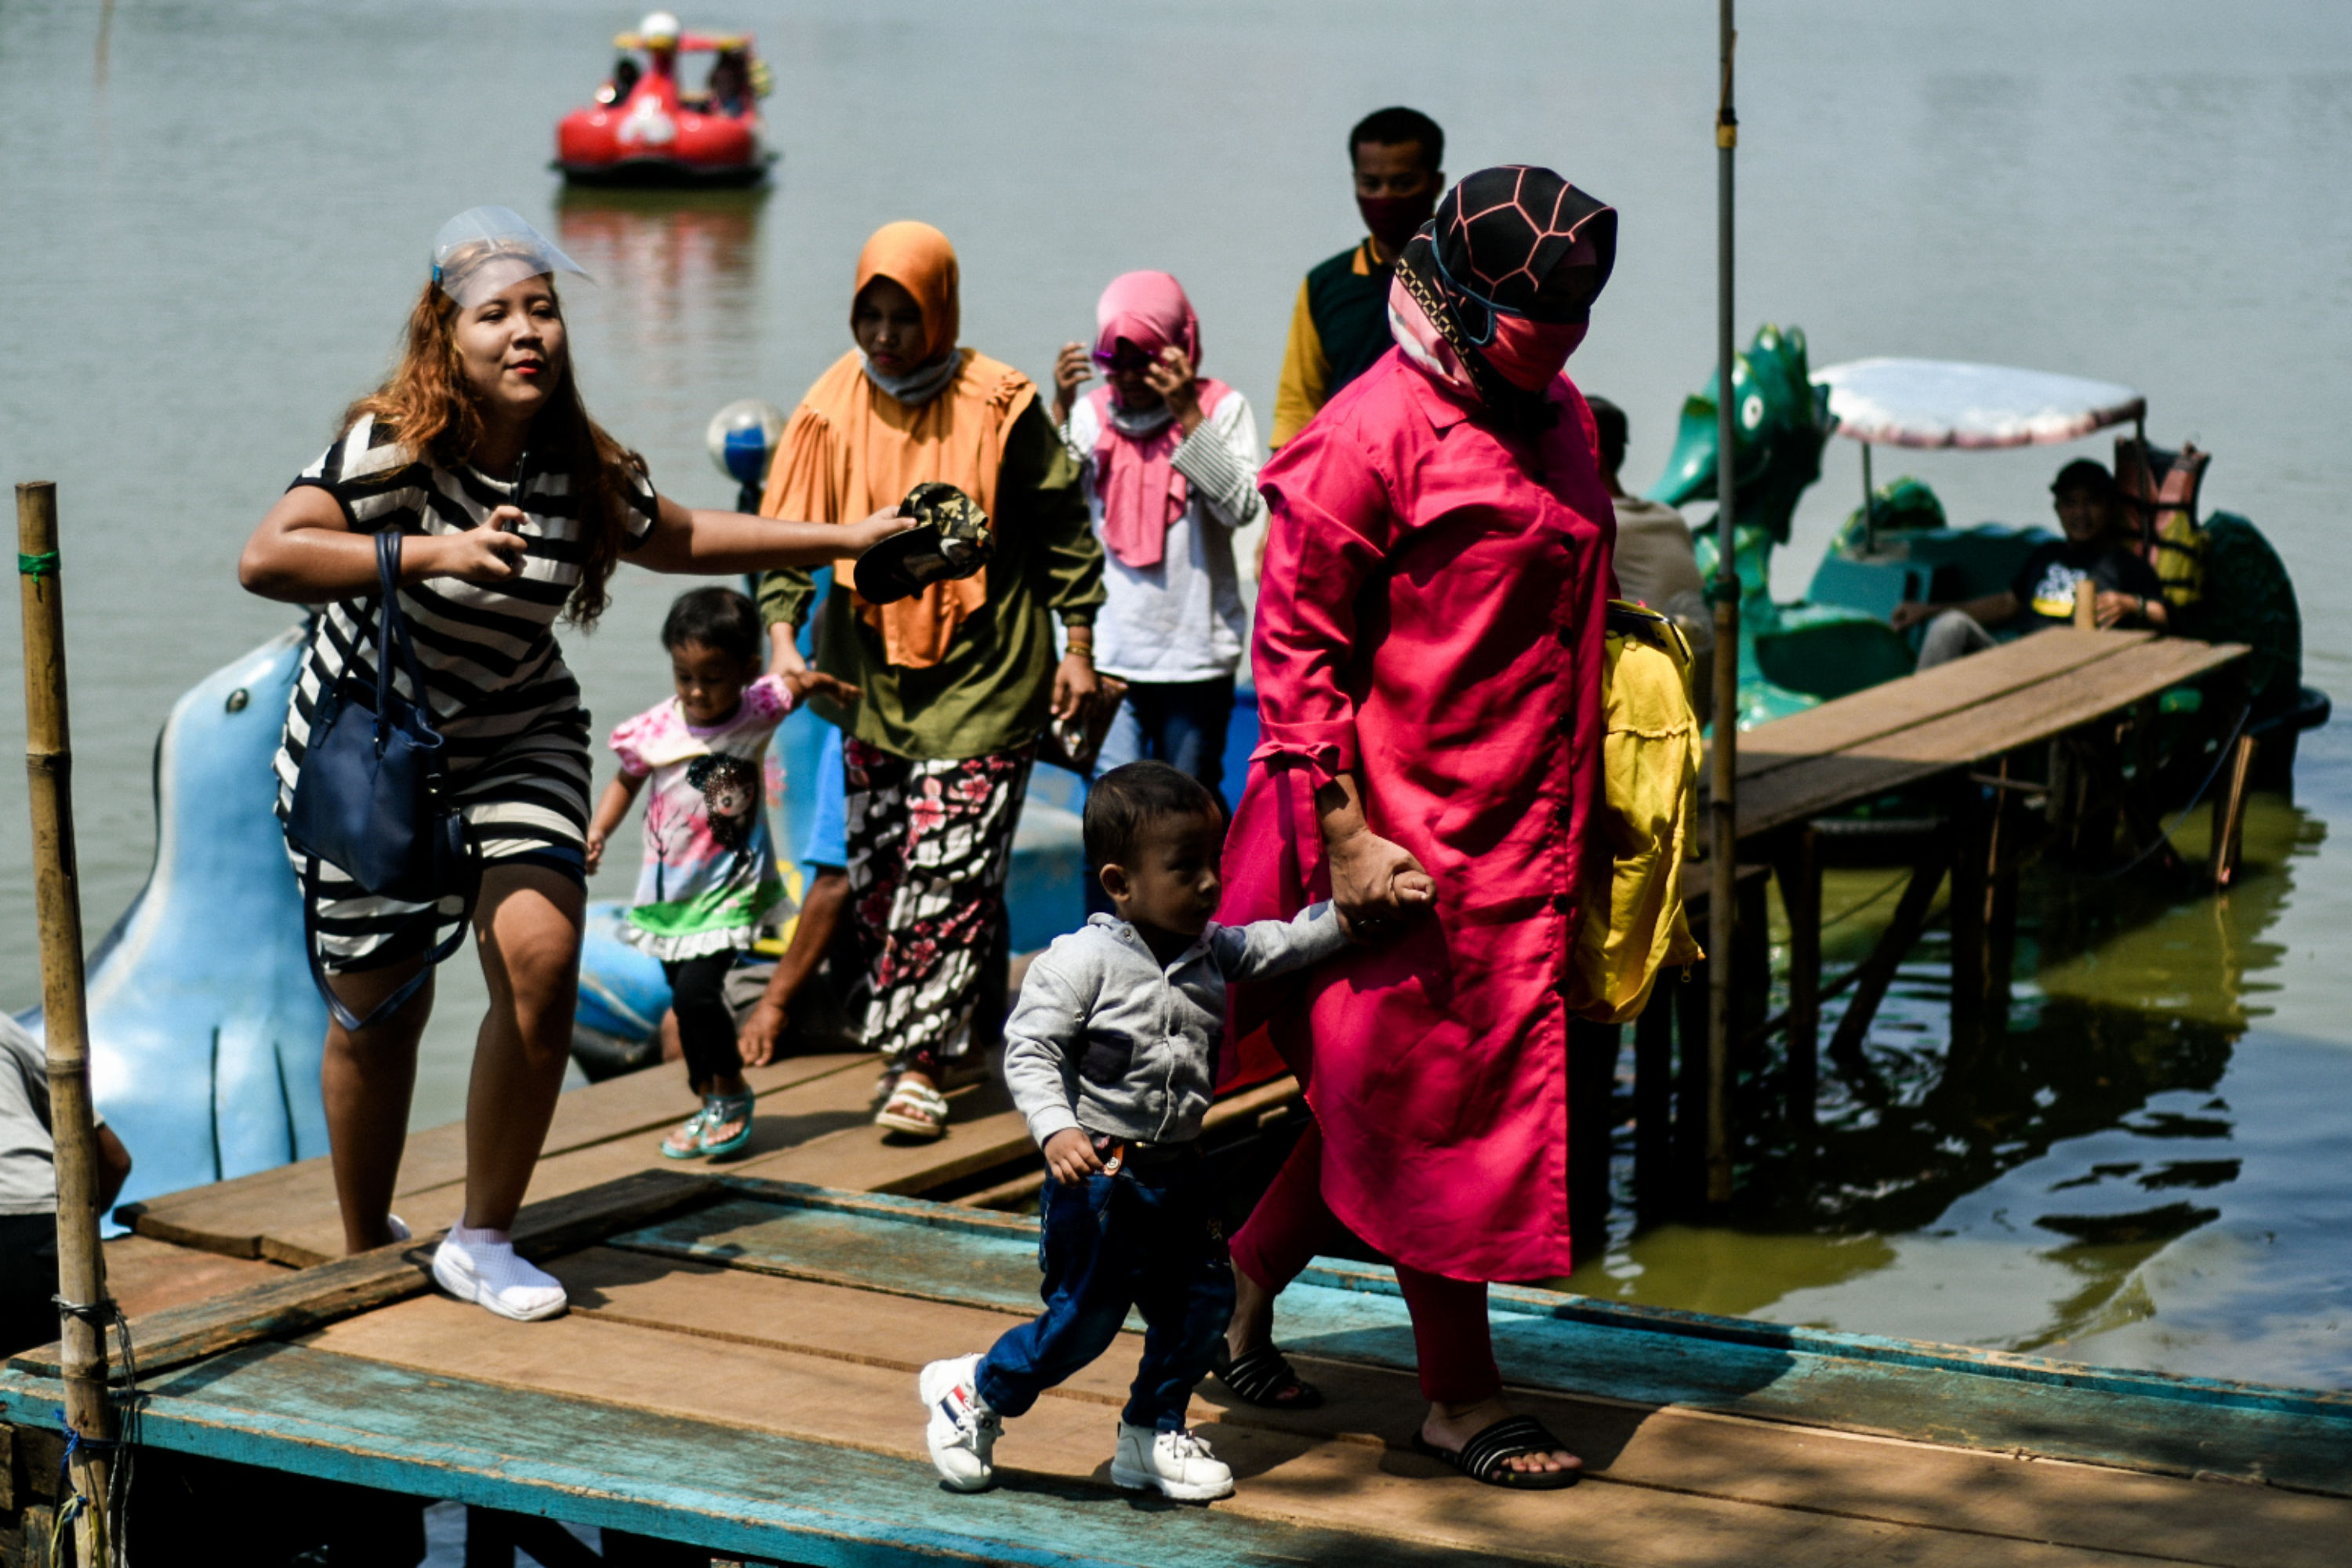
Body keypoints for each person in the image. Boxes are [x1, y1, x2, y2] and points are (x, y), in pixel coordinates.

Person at [238, 206, 908, 1320]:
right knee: (377, 1011)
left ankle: (483, 1236)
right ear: (444, 338)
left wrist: (847, 538)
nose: (524, 333)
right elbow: (270, 556)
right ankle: (366, 1244)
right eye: (494, 314)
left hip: (517, 730)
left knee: (543, 963)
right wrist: (436, 549)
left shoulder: (575, 464)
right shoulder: (393, 443)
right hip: (373, 739)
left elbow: (682, 536)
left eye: (540, 310)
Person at [1214, 165, 1617, 1488]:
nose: (1540, 372)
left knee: (1377, 1096)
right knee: (1441, 1099)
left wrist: (1608, 806)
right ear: (1461, 302)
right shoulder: (1367, 434)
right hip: (1403, 838)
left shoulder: (1557, 419)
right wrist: (1342, 832)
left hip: (1533, 822)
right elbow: (1297, 653)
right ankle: (1457, 1397)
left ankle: (1237, 1285)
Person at [918, 761, 1355, 1501]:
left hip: (1182, 1170)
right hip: (1099, 1178)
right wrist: (1056, 1129)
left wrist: (1349, 916)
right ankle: (978, 1391)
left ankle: (1153, 1429)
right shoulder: (1081, 961)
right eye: (1186, 869)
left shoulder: (1211, 950)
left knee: (1203, 1307)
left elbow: (1279, 942)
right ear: (1120, 883)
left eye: (1212, 864)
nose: (1210, 885)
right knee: (1084, 1322)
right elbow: (1030, 1048)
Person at [757, 221, 1105, 1143]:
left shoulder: (1001, 403)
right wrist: (784, 641)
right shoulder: (830, 407)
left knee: (948, 872)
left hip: (991, 674)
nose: (882, 336)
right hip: (869, 680)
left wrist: (1078, 642)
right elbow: (787, 533)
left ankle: (915, 1064)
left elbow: (1065, 530)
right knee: (880, 872)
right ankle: (959, 1029)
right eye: (867, 314)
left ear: (941, 309)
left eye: (902, 317)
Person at [586, 586, 846, 1160]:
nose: (698, 693)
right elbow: (626, 779)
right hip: (670, 895)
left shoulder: (759, 706)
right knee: (682, 1000)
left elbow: (797, 685)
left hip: (730, 892)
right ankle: (708, 1099)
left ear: (747, 670)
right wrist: (599, 829)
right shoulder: (655, 730)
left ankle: (730, 1091)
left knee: (703, 995)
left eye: (712, 677)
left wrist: (831, 685)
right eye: (684, 677)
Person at [1049, 273, 1265, 799]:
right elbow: (1053, 510)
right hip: (1107, 657)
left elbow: (1239, 507)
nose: (1126, 377)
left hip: (1194, 659)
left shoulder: (1220, 408)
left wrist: (1188, 415)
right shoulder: (1089, 415)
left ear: (1177, 348)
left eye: (1142, 358)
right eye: (1113, 361)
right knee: (1112, 813)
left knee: (1186, 809)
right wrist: (1060, 406)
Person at [1270, 107, 1447, 451]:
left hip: (1450, 473)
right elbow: (1299, 405)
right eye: (1371, 184)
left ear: (1435, 183)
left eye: (1403, 183)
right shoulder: (1326, 286)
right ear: (1354, 182)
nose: (1384, 197)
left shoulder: (1470, 274)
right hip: (1354, 472)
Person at [1891, 458, 2166, 667]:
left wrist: (2133, 605)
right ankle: (1916, 714)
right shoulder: (2047, 554)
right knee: (1950, 625)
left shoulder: (2124, 565)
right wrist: (1928, 611)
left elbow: (2164, 615)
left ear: (2109, 507)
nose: (2081, 513)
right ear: (2057, 509)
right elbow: (2007, 604)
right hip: (2017, 663)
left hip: (2076, 671)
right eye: (2071, 503)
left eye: (2091, 502)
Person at [1, 1015, 132, 1358]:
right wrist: (76, 1230)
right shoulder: (4, 1028)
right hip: (44, 1226)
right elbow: (114, 1160)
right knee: (76, 1385)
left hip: (28, 1226)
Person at [1589, 395, 1713, 713]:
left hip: (1642, 704)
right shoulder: (1669, 518)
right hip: (1694, 695)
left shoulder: (1593, 525)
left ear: (1592, 455)